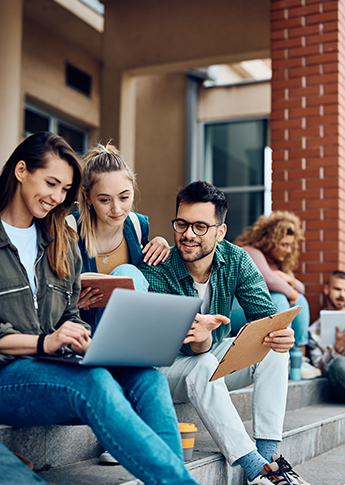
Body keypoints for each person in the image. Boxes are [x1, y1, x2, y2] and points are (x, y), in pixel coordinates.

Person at [0, 132, 200, 485]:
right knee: (94, 381)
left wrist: (83, 338)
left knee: (148, 380)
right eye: (51, 183)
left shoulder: (58, 238)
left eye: (64, 189)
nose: (57, 197)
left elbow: (68, 317)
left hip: (55, 366)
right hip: (10, 375)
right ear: (20, 171)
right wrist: (46, 342)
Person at [139, 181, 310, 485]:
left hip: (206, 357)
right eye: (182, 223)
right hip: (162, 368)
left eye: (201, 226)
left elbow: (266, 317)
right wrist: (201, 338)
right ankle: (256, 470)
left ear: (220, 232)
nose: (188, 234)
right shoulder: (159, 265)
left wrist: (282, 334)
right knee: (202, 364)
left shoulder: (236, 259)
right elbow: (178, 346)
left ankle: (270, 455)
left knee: (272, 346)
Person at [72, 143, 170, 334]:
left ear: (133, 189)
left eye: (124, 197)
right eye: (105, 200)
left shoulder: (137, 225)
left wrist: (163, 244)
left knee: (129, 272)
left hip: (130, 329)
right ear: (87, 196)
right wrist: (70, 304)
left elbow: (146, 281)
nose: (117, 210)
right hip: (83, 333)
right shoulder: (69, 231)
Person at [233, 211, 321, 380]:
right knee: (280, 298)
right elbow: (267, 278)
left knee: (300, 301)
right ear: (270, 240)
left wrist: (286, 278)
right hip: (238, 310)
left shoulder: (279, 264)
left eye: (291, 246)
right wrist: (288, 287)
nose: (288, 250)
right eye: (284, 244)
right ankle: (281, 357)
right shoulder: (251, 251)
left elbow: (300, 289)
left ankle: (298, 359)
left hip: (264, 313)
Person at [309, 271, 345, 402]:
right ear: (326, 289)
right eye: (337, 289)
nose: (342, 294)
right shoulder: (314, 331)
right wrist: (336, 349)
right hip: (339, 378)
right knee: (338, 363)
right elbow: (320, 368)